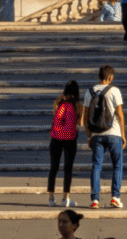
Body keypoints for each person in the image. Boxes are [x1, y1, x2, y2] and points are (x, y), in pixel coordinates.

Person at [86, 64, 126, 209]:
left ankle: (94, 199)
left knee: (96, 166)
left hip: (96, 134)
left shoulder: (89, 92)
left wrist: (89, 137)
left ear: (98, 77)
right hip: (113, 133)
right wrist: (123, 135)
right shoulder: (115, 90)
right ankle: (115, 197)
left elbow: (85, 118)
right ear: (110, 78)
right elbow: (120, 115)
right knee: (117, 165)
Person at [49, 80, 82, 208]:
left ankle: (51, 199)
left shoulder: (57, 102)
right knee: (68, 168)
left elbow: (55, 118)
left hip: (56, 138)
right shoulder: (78, 104)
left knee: (53, 168)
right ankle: (65, 199)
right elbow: (80, 124)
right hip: (70, 139)